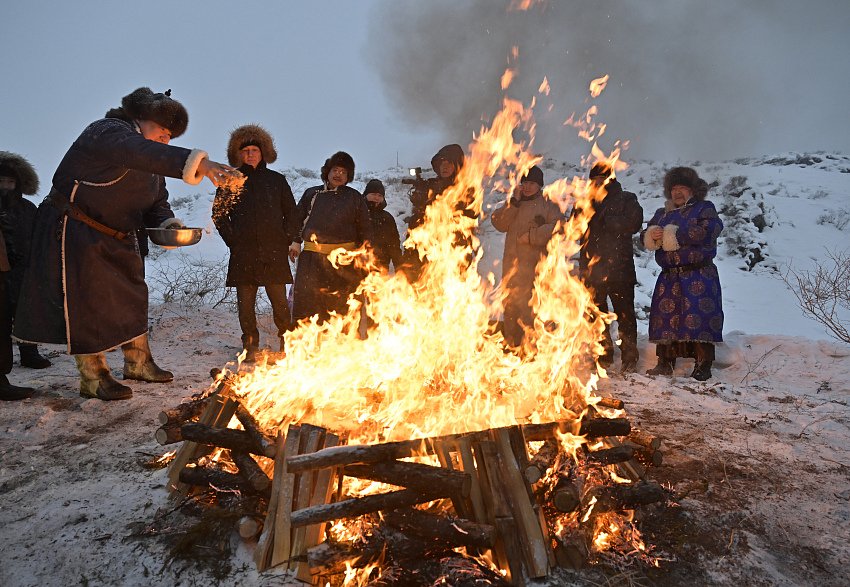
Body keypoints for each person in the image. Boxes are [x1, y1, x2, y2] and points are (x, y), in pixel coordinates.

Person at [13, 87, 237, 400]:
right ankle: (93, 377)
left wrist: (168, 225)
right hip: (76, 230)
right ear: (141, 119)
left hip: (120, 236)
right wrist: (200, 163)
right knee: (87, 302)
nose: (165, 140)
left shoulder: (149, 161)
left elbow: (158, 201)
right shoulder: (106, 133)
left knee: (133, 298)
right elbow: (136, 151)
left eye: (170, 136)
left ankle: (139, 363)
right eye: (163, 131)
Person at [213, 125, 297, 360]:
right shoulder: (231, 181)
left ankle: (287, 342)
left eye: (254, 150)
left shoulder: (276, 181)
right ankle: (250, 345)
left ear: (263, 153)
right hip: (244, 252)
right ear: (238, 154)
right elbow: (219, 214)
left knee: (280, 303)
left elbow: (291, 213)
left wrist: (286, 239)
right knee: (246, 305)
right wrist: (234, 241)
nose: (250, 154)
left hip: (273, 251)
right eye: (246, 150)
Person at [643, 167, 724, 381]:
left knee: (699, 318)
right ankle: (665, 363)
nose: (677, 192)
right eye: (674, 188)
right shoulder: (663, 213)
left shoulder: (704, 208)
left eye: (683, 188)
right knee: (666, 319)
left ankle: (703, 365)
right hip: (670, 275)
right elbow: (646, 233)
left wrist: (674, 233)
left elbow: (710, 230)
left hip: (698, 274)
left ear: (693, 190)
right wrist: (653, 233)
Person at [574, 163, 644, 373]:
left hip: (619, 269)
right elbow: (574, 231)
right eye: (594, 178)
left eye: (602, 178)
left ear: (611, 178)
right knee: (595, 315)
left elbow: (634, 223)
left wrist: (604, 218)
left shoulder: (626, 199)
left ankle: (630, 358)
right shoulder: (584, 201)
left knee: (625, 315)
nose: (598, 182)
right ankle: (603, 355)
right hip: (591, 269)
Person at [288, 152, 372, 323]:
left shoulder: (354, 197)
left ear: (348, 176)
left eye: (343, 172)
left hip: (343, 262)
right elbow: (297, 220)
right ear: (327, 171)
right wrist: (295, 242)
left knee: (340, 306)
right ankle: (305, 344)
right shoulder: (312, 194)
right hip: (312, 259)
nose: (338, 175)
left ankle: (340, 344)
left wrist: (365, 253)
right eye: (335, 170)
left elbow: (365, 228)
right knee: (307, 303)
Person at [490, 166, 563, 349]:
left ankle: (529, 351)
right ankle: (512, 348)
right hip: (511, 267)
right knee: (511, 308)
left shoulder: (548, 205)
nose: (528, 187)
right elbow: (499, 222)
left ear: (539, 185)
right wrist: (513, 203)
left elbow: (560, 226)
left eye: (532, 183)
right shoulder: (515, 203)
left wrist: (532, 236)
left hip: (534, 268)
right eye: (525, 183)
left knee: (529, 310)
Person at [0, 152, 51, 369]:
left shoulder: (28, 208)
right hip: (2, 271)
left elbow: (40, 235)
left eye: (10, 182)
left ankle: (29, 353)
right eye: (1, 181)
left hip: (25, 269)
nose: (5, 186)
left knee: (26, 312)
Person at [402, 143, 475, 280]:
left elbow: (469, 216)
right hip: (426, 248)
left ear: (457, 165)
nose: (444, 167)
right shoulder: (429, 186)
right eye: (441, 164)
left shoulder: (465, 189)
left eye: (449, 163)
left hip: (453, 250)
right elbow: (418, 219)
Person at [363, 179, 402, 273]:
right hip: (358, 265)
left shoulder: (387, 218)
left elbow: (394, 245)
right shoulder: (356, 214)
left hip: (381, 267)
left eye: (379, 195)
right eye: (373, 194)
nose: (376, 198)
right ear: (366, 195)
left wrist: (400, 268)